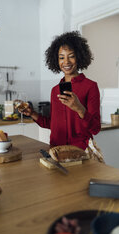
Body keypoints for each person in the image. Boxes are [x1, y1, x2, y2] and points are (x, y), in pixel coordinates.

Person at [22, 31, 103, 161]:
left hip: (80, 153)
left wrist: (79, 108)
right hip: (57, 152)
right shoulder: (55, 91)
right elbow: (52, 124)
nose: (66, 62)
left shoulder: (90, 86)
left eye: (71, 56)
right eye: (61, 57)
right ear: (56, 60)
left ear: (79, 57)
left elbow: (95, 128)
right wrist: (32, 113)